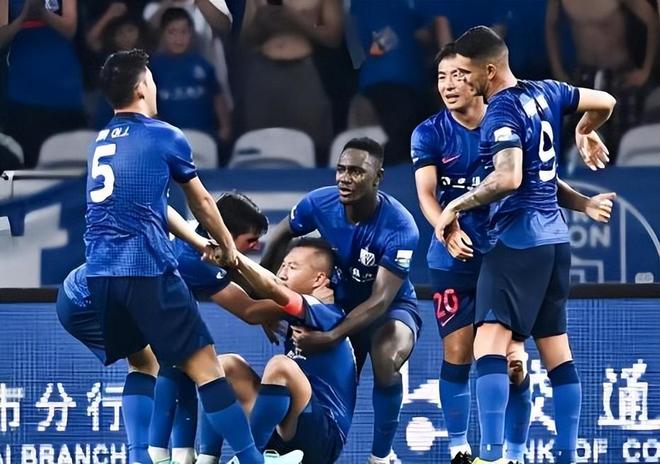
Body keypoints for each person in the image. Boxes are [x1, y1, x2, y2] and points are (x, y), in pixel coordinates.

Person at [84, 48, 301, 464]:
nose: (155, 85)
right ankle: (251, 460)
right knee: (207, 369)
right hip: (147, 269)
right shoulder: (164, 135)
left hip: (100, 274)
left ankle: (145, 457)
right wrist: (229, 250)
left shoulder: (100, 141)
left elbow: (154, 206)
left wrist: (202, 243)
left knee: (144, 365)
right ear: (142, 87)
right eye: (151, 78)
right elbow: (201, 201)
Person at [412, 43, 617, 464]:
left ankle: (501, 454)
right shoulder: (434, 131)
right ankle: (473, 449)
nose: (452, 84)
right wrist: (447, 227)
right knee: (478, 353)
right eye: (443, 76)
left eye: (461, 74)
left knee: (503, 356)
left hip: (509, 246)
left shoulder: (501, 113)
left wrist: (456, 206)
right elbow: (429, 196)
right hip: (484, 252)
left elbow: (512, 177)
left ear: (484, 72)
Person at [262, 137, 420, 464]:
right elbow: (280, 235)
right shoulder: (319, 203)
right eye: (341, 169)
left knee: (385, 357)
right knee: (317, 382)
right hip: (339, 306)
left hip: (390, 309)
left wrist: (333, 336)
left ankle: (380, 457)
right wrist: (266, 301)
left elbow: (380, 300)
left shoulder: (401, 227)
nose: (345, 178)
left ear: (378, 177)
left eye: (357, 171)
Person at [57, 207, 214, 463]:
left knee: (149, 360)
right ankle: (154, 454)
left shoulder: (168, 228)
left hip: (72, 293)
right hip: (104, 294)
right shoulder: (188, 258)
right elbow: (246, 309)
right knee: (161, 361)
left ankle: (152, 454)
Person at [147, 192, 277, 464]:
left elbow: (241, 277)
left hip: (151, 305)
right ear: (225, 233)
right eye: (250, 240)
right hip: (153, 311)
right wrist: (303, 306)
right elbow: (249, 311)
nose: (255, 246)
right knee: (210, 376)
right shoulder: (197, 259)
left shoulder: (196, 233)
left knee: (180, 367)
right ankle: (246, 459)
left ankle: (182, 456)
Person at [215, 237, 357, 464]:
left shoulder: (326, 309)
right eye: (282, 265)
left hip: (322, 438)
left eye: (292, 267)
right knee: (225, 366)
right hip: (286, 428)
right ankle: (208, 457)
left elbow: (270, 290)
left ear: (319, 279)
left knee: (281, 366)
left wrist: (229, 251)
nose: (282, 273)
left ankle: (249, 458)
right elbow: (248, 310)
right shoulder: (294, 315)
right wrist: (206, 275)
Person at [545, 0, 657, 156]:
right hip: (585, 75)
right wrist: (558, 70)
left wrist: (646, 71)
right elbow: (551, 25)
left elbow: (652, 20)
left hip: (619, 74)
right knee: (582, 143)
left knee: (622, 140)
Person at [239, 0, 343, 165]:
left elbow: (334, 36)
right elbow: (245, 37)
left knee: (311, 137)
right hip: (264, 69)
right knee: (259, 137)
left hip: (303, 70)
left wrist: (296, 19)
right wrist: (262, 20)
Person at [0, 0, 85, 168]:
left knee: (68, 163)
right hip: (22, 91)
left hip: (64, 88)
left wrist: (43, 14)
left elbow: (70, 29)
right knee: (24, 163)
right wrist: (23, 18)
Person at [150, 7, 232, 163]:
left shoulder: (203, 64)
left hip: (205, 137)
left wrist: (225, 127)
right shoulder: (154, 68)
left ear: (191, 34)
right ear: (162, 34)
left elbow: (217, 97)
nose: (178, 38)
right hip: (169, 141)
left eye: (184, 32)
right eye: (172, 32)